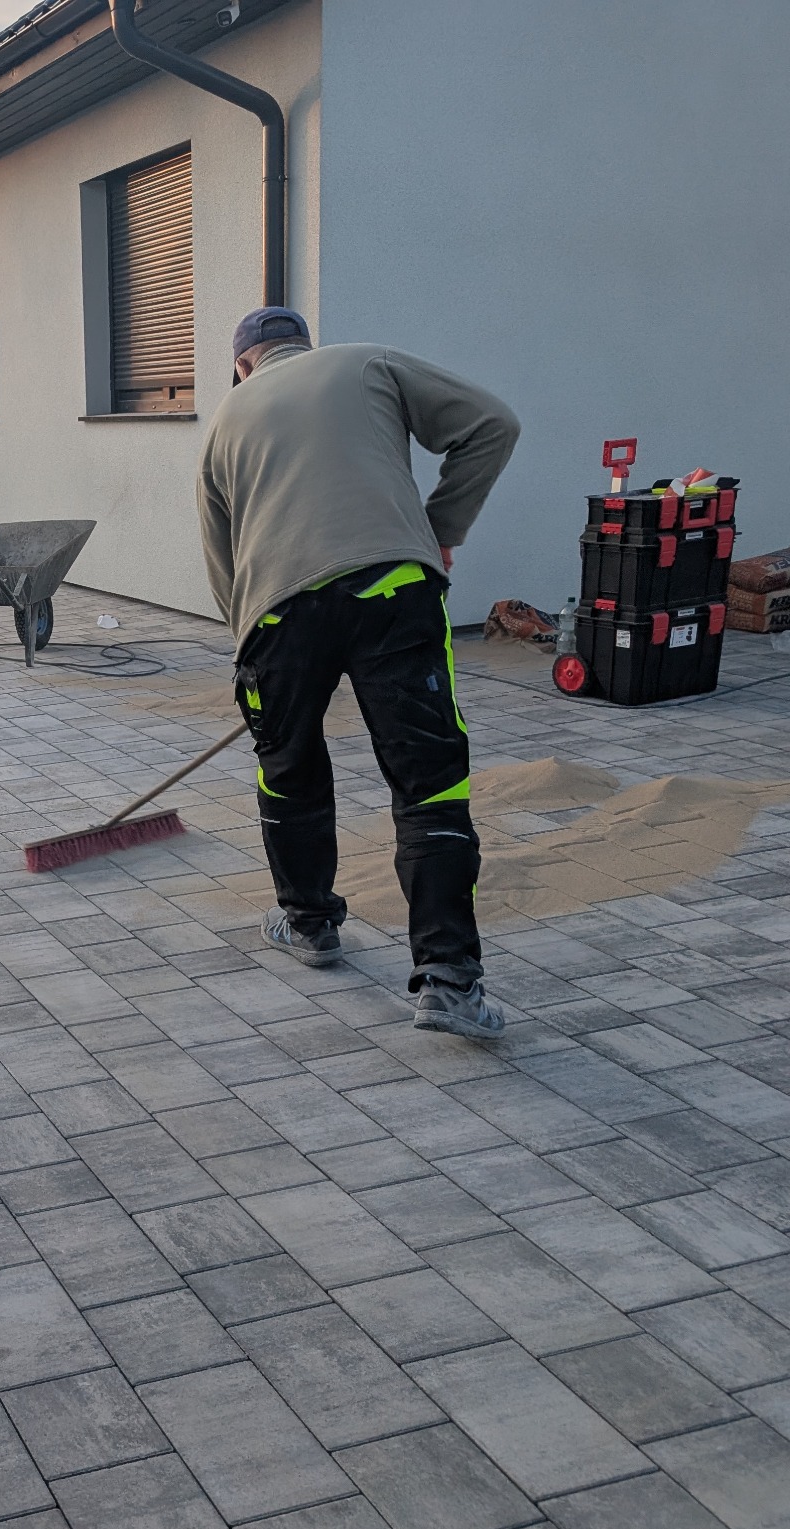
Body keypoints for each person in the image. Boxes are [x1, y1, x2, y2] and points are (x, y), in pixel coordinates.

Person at [197, 308, 520, 1040]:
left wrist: (255, 653)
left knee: (290, 771)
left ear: (243, 363)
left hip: (278, 612)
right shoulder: (369, 362)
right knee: (430, 781)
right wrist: (439, 529)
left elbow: (223, 568)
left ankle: (308, 923)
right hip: (390, 591)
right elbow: (494, 424)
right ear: (302, 347)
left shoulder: (223, 422)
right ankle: (447, 981)